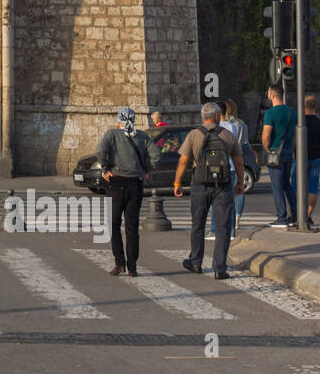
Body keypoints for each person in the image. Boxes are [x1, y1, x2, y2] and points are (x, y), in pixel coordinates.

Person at [174, 102, 245, 279]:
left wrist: (177, 182)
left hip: (200, 183)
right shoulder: (228, 135)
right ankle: (220, 268)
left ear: (203, 116)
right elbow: (238, 162)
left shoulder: (193, 135)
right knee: (223, 226)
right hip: (223, 184)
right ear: (216, 116)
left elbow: (183, 161)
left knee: (197, 224)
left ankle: (196, 262)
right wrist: (240, 183)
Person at [96, 108, 161, 277]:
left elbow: (101, 151)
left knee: (114, 224)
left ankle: (119, 263)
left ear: (119, 120)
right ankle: (133, 267)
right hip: (135, 184)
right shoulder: (142, 136)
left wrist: (105, 168)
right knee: (132, 227)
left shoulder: (112, 135)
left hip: (115, 183)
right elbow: (157, 155)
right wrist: (146, 170)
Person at [261, 83, 297, 227]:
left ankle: (281, 216)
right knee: (287, 184)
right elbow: (295, 135)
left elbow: (266, 136)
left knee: (277, 186)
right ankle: (295, 213)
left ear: (273, 95)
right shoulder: (292, 112)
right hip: (288, 150)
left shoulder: (270, 113)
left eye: (269, 93)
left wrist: (266, 149)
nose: (267, 95)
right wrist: (293, 150)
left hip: (275, 152)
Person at [220, 97, 255, 238]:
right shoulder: (243, 124)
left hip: (233, 157)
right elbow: (246, 142)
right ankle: (237, 218)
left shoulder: (228, 125)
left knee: (229, 193)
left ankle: (228, 223)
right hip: (243, 156)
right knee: (240, 190)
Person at [302, 95, 320, 225]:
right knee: (313, 187)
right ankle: (308, 214)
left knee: (297, 186)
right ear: (316, 107)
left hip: (301, 158)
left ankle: (297, 214)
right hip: (316, 157)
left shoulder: (299, 122)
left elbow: (294, 141)